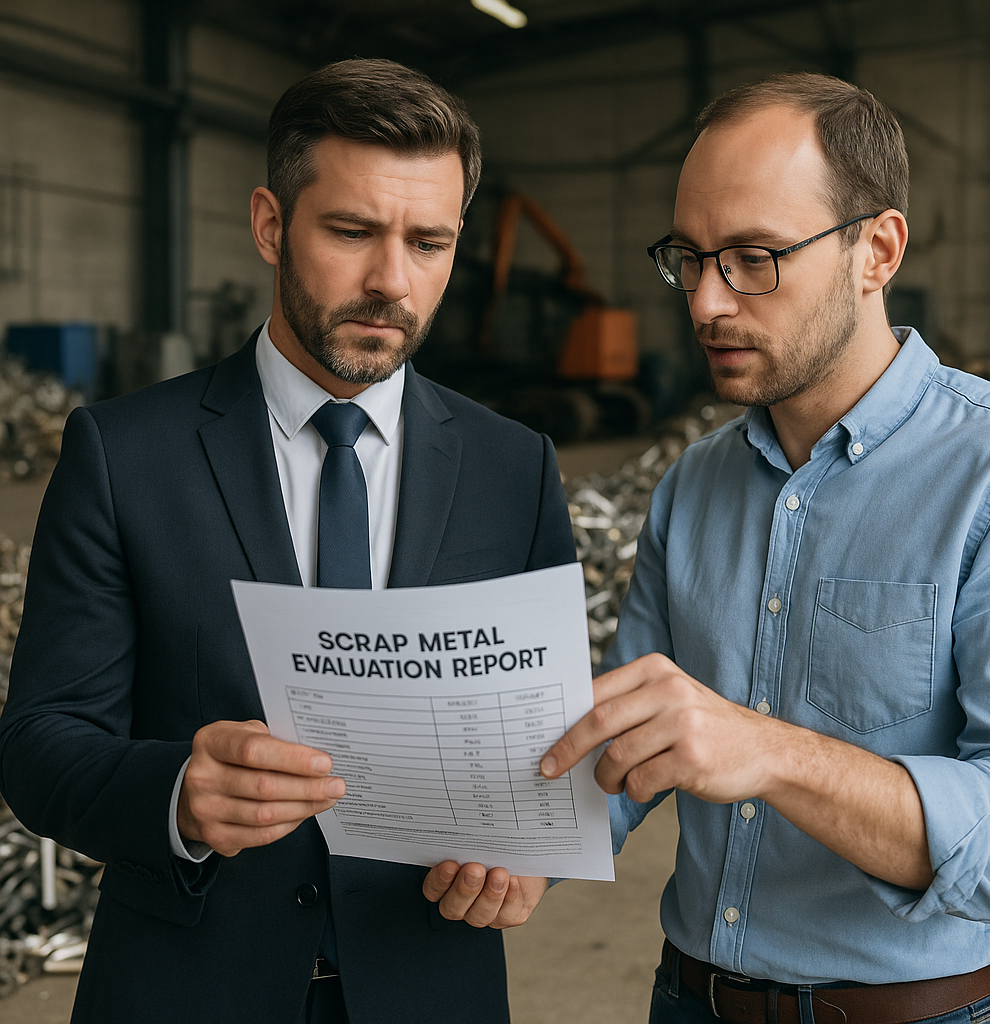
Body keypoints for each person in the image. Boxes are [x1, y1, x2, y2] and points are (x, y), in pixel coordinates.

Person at [429, 73, 990, 1023]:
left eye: (753, 258)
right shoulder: (695, 482)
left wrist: (774, 754)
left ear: (877, 250)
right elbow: (625, 744)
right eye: (690, 258)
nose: (706, 303)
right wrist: (525, 837)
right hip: (689, 1000)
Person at [0, 58, 575, 1024]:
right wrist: (175, 792)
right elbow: (40, 744)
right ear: (271, 223)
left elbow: (546, 748)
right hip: (188, 991)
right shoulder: (123, 454)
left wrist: (530, 858)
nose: (392, 281)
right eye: (351, 232)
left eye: (428, 243)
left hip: (431, 989)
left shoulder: (515, 468)